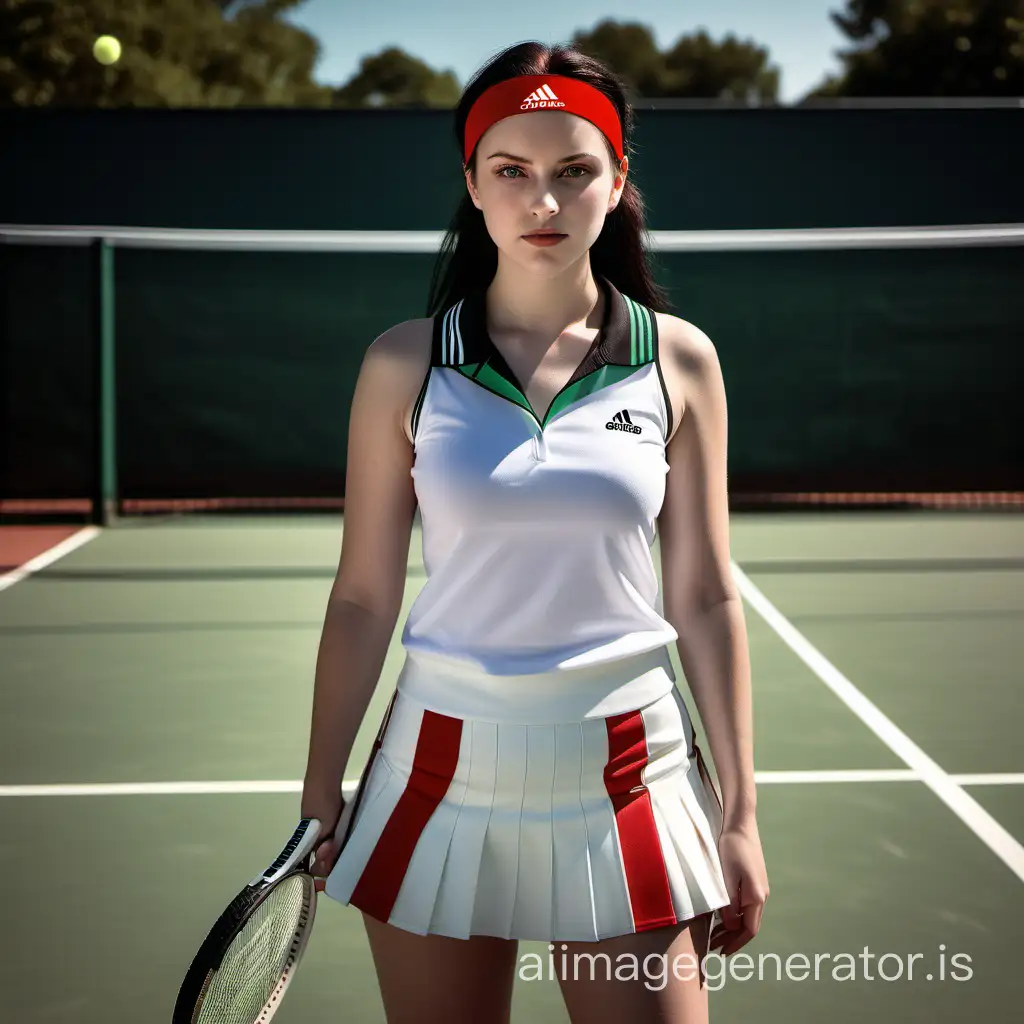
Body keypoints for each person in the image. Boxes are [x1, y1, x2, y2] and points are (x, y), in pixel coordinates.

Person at [301, 39, 768, 1024]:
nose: (542, 202)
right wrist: (318, 794)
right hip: (434, 767)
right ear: (471, 184)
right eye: (511, 172)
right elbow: (362, 594)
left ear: (617, 180)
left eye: (572, 171)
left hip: (631, 771)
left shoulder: (679, 361)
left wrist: (741, 815)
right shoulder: (402, 363)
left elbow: (705, 592)